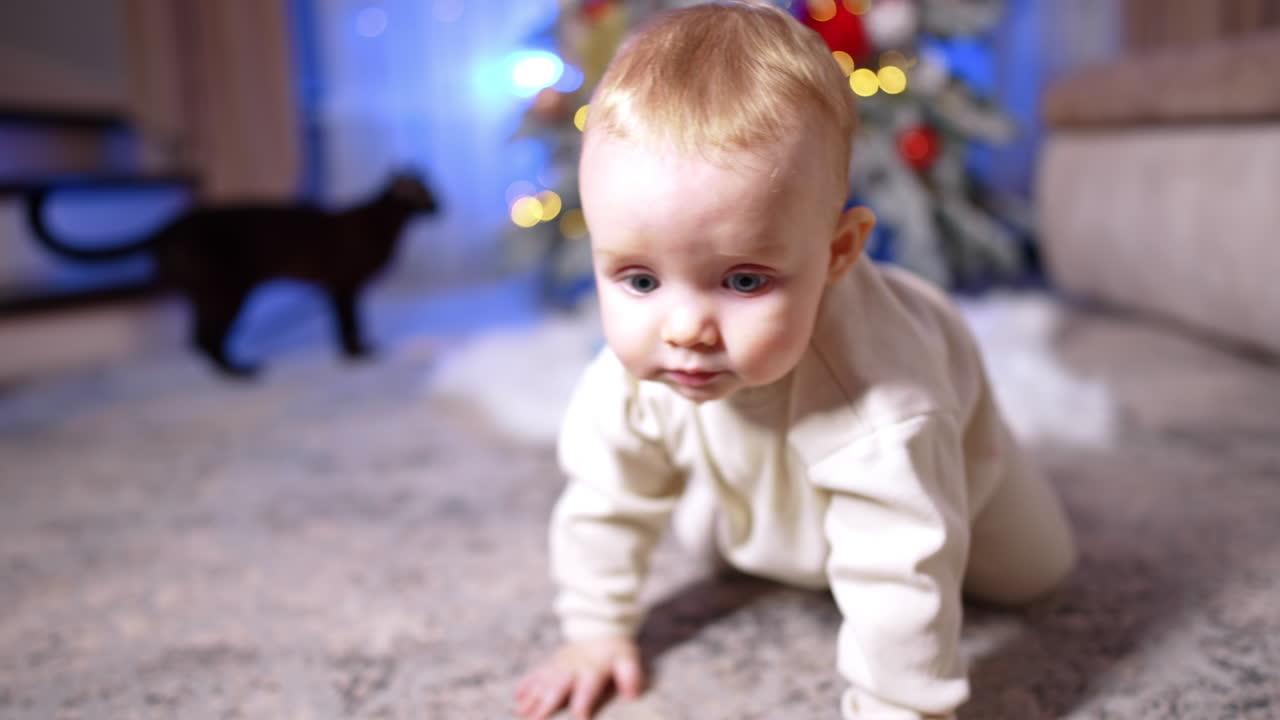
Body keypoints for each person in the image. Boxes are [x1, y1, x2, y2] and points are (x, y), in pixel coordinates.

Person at [513, 2, 1076, 718]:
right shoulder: (633, 376)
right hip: (773, 470)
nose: (685, 330)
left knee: (1035, 572)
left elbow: (901, 574)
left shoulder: (884, 405)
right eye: (640, 280)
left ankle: (911, 503)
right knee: (726, 530)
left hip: (957, 472)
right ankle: (772, 523)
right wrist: (592, 634)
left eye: (744, 280)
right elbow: (602, 500)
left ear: (838, 252)